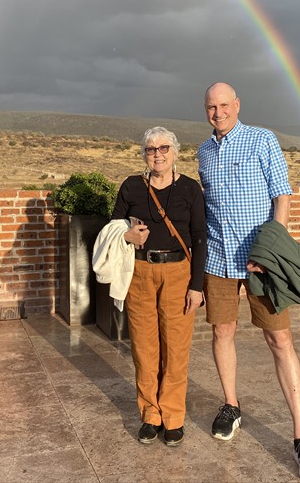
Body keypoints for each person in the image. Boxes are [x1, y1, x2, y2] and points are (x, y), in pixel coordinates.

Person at [198, 83, 300, 482]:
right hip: (218, 259)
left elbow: (282, 196)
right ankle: (231, 405)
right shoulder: (203, 151)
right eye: (211, 107)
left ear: (237, 105)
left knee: (280, 339)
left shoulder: (262, 139)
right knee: (222, 331)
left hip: (260, 263)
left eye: (224, 105)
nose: (218, 112)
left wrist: (269, 252)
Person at [106, 127, 207, 446]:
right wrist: (127, 236)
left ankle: (173, 417)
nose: (157, 154)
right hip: (140, 272)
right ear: (144, 155)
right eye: (151, 149)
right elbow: (113, 227)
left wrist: (197, 286)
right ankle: (150, 414)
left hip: (178, 273)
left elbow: (199, 238)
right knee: (144, 347)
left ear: (175, 152)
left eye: (164, 148)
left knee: (176, 348)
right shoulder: (132, 186)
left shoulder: (190, 189)